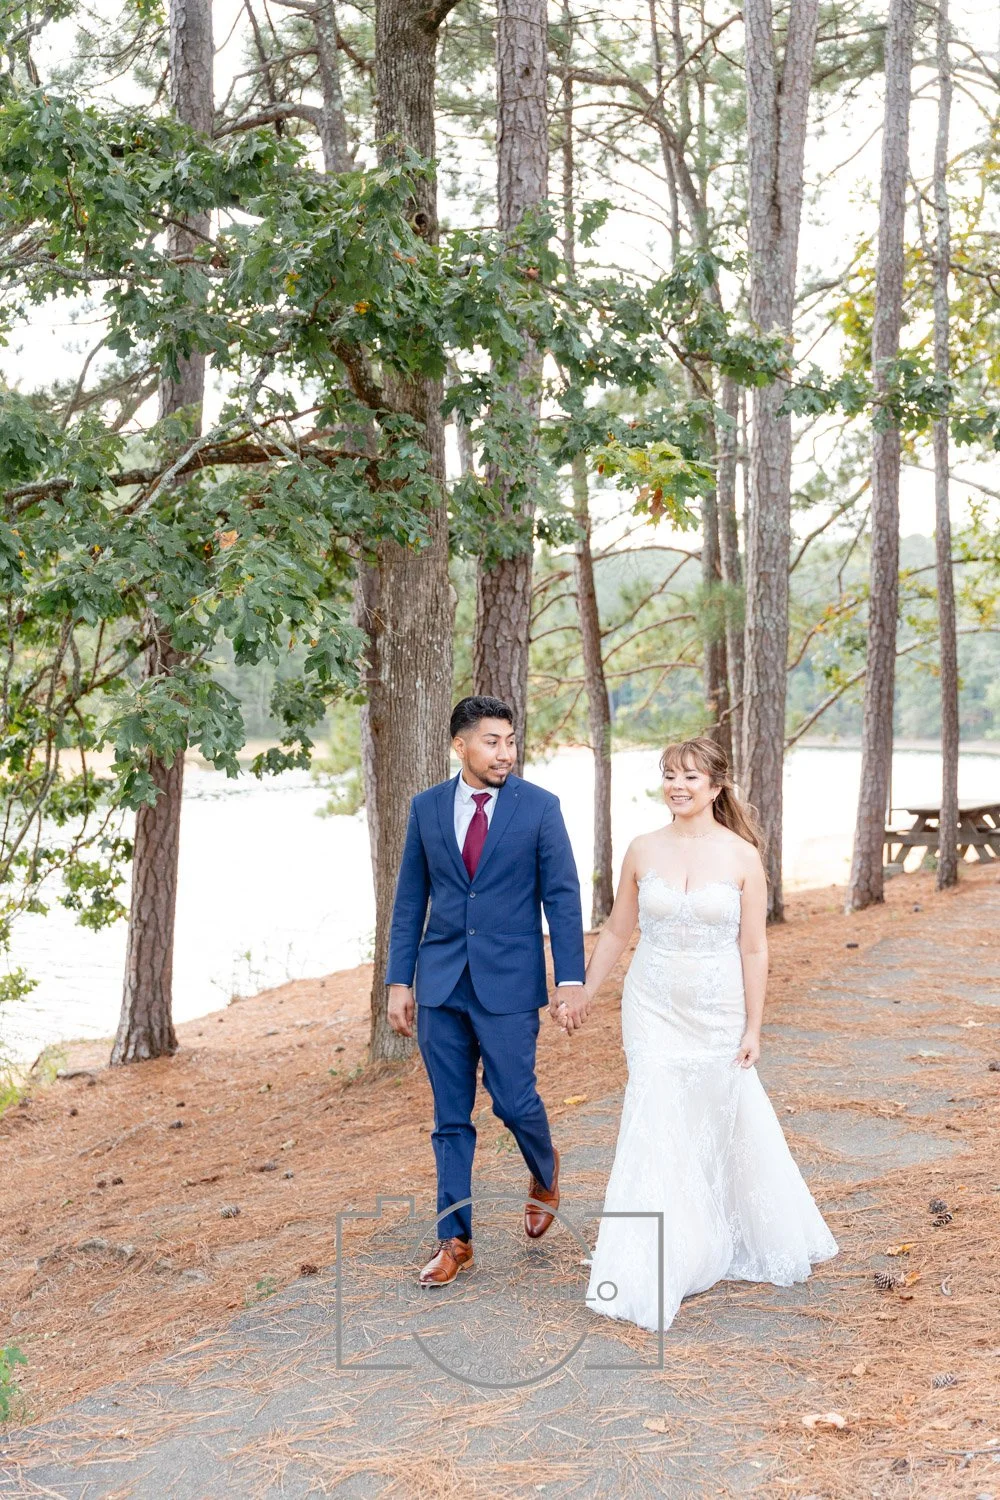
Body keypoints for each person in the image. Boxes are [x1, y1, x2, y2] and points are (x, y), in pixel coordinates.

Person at [564, 736, 837, 1333]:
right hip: (652, 1005)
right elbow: (616, 933)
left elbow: (755, 947)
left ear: (716, 786)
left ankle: (719, 1233)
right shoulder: (641, 849)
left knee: (717, 1120)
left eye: (689, 777)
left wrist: (753, 1027)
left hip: (717, 1011)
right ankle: (658, 1259)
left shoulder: (743, 857)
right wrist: (584, 988)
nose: (677, 786)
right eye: (668, 776)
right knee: (656, 1117)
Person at [386, 695, 586, 1287]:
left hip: (509, 982)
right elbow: (408, 903)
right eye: (492, 741)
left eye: (510, 740)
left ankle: (544, 1168)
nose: (504, 752)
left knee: (513, 1099)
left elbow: (564, 896)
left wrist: (569, 978)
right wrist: (400, 980)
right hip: (441, 982)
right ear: (461, 746)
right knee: (450, 1117)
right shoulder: (425, 810)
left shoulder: (539, 809)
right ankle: (455, 1239)